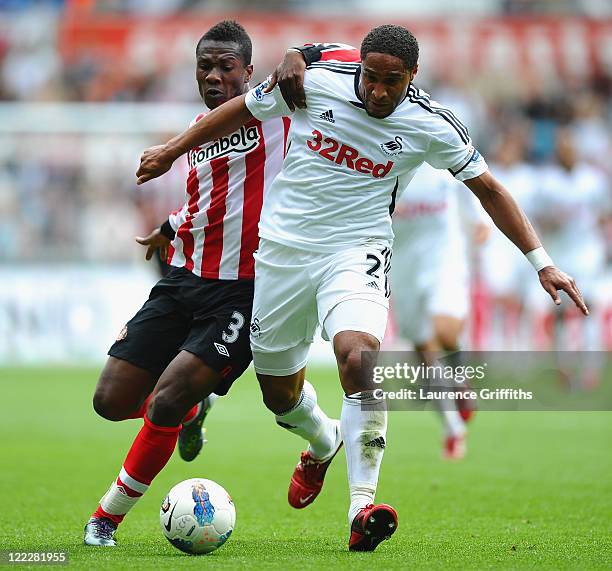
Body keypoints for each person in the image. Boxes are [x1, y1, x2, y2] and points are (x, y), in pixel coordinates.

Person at [136, 25, 587, 552]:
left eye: (390, 82)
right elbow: (241, 110)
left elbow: (489, 188)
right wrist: (171, 150)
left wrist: (542, 262)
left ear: (412, 77)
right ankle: (320, 444)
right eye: (370, 78)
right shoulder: (318, 82)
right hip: (283, 253)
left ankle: (362, 507)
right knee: (278, 393)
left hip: (358, 250)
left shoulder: (433, 125)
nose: (376, 91)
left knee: (358, 357)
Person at [83, 20, 293, 547]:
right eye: (206, 67)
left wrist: (297, 53)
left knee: (164, 404)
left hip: (243, 293)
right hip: (183, 280)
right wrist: (169, 227)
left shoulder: (281, 112)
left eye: (227, 67)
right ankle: (195, 408)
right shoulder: (201, 130)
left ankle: (104, 520)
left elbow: (314, 65)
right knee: (109, 400)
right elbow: (210, 201)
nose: (216, 76)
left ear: (249, 71)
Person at [391, 163, 490, 459]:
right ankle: (452, 427)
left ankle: (460, 379)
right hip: (402, 265)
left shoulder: (441, 155)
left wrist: (479, 219)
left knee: (446, 330)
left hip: (444, 258)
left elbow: (473, 183)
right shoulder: (384, 162)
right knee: (424, 347)